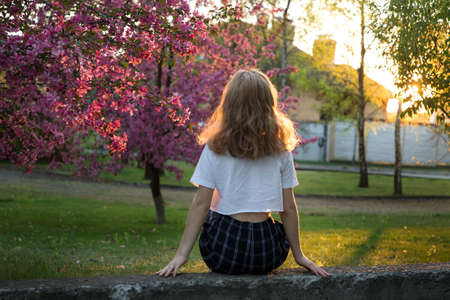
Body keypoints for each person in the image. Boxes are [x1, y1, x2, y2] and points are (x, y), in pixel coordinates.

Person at [156, 69, 329, 278]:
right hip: (266, 252)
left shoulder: (215, 147)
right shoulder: (281, 150)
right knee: (271, 223)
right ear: (268, 105)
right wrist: (299, 255)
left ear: (229, 104)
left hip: (224, 251)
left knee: (213, 212)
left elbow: (201, 205)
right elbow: (288, 209)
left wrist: (181, 256)